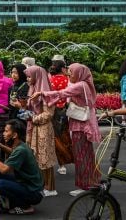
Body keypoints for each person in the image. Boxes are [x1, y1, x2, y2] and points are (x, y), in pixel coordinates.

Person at [33, 63, 101, 197]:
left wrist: (42, 93)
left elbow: (61, 93)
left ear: (80, 73)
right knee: (87, 156)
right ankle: (92, 182)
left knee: (81, 157)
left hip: (80, 126)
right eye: (68, 71)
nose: (68, 74)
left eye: (71, 72)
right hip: (83, 125)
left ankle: (85, 186)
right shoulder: (84, 84)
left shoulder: (80, 85)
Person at [0, 119, 43, 215]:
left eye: (6, 131)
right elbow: (13, 152)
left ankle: (25, 206)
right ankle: (13, 202)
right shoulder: (21, 146)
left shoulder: (21, 150)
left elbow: (4, 169)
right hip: (28, 185)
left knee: (0, 184)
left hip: (34, 193)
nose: (3, 133)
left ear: (14, 135)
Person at [24, 66, 58, 197]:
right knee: (37, 157)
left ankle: (50, 187)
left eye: (29, 76)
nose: (27, 79)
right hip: (34, 128)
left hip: (43, 128)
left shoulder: (45, 92)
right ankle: (42, 185)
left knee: (45, 158)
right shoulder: (33, 88)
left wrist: (33, 118)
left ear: (37, 77)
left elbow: (48, 114)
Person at [49, 59, 74, 175]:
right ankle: (72, 158)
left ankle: (61, 164)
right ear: (62, 68)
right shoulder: (68, 80)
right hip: (66, 111)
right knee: (66, 136)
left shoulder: (50, 80)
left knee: (56, 137)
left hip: (54, 112)